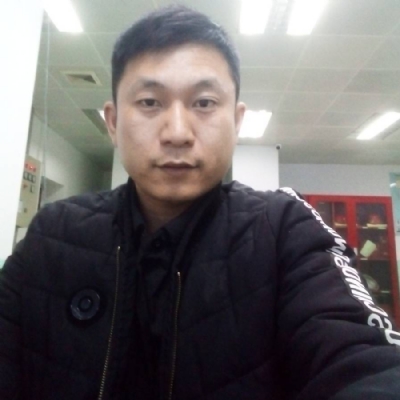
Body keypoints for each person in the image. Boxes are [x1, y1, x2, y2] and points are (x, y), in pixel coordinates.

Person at [1, 5, 400, 400]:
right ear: (114, 122)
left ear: (237, 121)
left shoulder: (285, 229)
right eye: (150, 102)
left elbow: (363, 358)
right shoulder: (53, 236)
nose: (177, 133)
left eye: (204, 103)